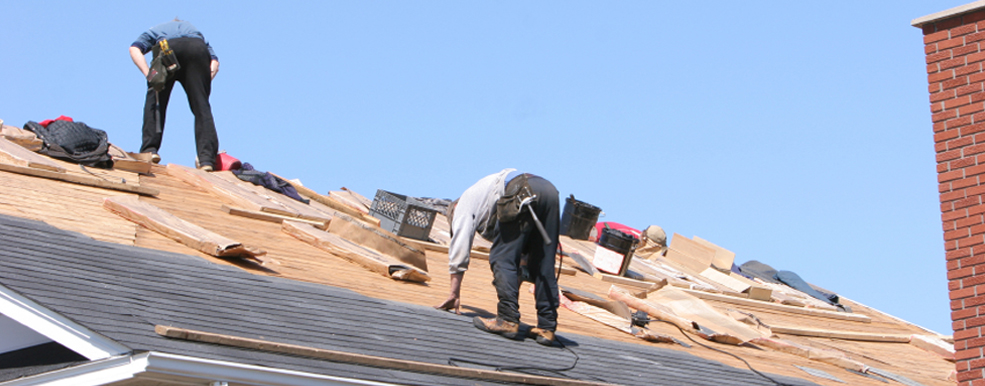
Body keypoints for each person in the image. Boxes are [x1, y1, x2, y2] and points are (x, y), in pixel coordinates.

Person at [435, 169, 561, 346]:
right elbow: (523, 259)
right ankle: (547, 327)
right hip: (548, 190)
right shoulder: (485, 194)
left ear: (454, 210)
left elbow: (461, 244)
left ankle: (507, 320)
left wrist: (454, 293)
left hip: (523, 189)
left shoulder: (463, 203)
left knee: (502, 257)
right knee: (543, 261)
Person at [129, 19, 220, 171]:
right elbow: (215, 63)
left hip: (167, 49)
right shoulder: (196, 33)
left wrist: (150, 76)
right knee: (201, 107)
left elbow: (134, 49)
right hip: (196, 49)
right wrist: (201, 85)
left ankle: (149, 150)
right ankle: (206, 160)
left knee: (156, 101)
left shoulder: (156, 29)